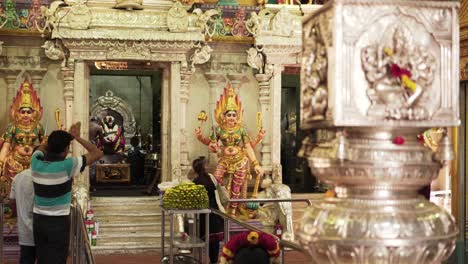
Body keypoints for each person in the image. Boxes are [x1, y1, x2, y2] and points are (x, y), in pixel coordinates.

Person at [31, 122, 103, 264]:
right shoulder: (68, 166)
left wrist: (58, 139)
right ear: (65, 150)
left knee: (42, 257)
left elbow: (40, 147)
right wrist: (75, 137)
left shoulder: (35, 162)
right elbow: (97, 153)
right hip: (58, 221)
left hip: (39, 219)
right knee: (58, 258)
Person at [195, 83, 265, 217]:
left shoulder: (241, 129)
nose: (231, 117)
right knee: (216, 180)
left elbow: (248, 146)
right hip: (224, 160)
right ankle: (218, 204)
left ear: (237, 116)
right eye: (229, 115)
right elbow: (211, 144)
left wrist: (256, 163)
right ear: (224, 116)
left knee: (236, 186)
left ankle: (233, 210)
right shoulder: (218, 129)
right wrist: (200, 137)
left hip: (240, 160)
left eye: (234, 115)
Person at [0, 80, 45, 196]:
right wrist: (0, 162)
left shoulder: (38, 127)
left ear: (33, 113)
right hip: (16, 160)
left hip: (33, 161)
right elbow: (6, 145)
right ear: (17, 113)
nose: (25, 115)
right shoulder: (13, 126)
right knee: (14, 187)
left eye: (28, 112)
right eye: (22, 112)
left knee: (32, 188)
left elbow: (44, 144)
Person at [192, 156, 224, 264]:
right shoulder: (211, 177)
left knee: (207, 239)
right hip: (214, 211)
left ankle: (206, 260)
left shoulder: (195, 182)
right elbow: (217, 191)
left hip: (203, 213)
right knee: (214, 241)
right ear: (204, 167)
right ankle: (214, 261)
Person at [9, 168, 35, 264]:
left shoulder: (18, 177)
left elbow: (12, 200)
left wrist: (18, 213)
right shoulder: (47, 176)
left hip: (25, 229)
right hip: (44, 230)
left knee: (26, 258)